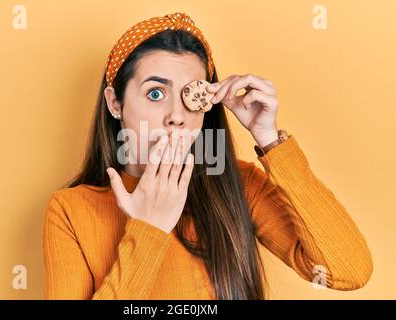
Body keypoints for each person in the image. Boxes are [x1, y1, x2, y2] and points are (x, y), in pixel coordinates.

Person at [42, 12, 373, 300]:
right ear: (115, 103)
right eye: (155, 93)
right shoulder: (71, 210)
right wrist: (150, 229)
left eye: (191, 97)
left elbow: (348, 271)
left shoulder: (236, 185)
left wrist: (270, 141)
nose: (177, 116)